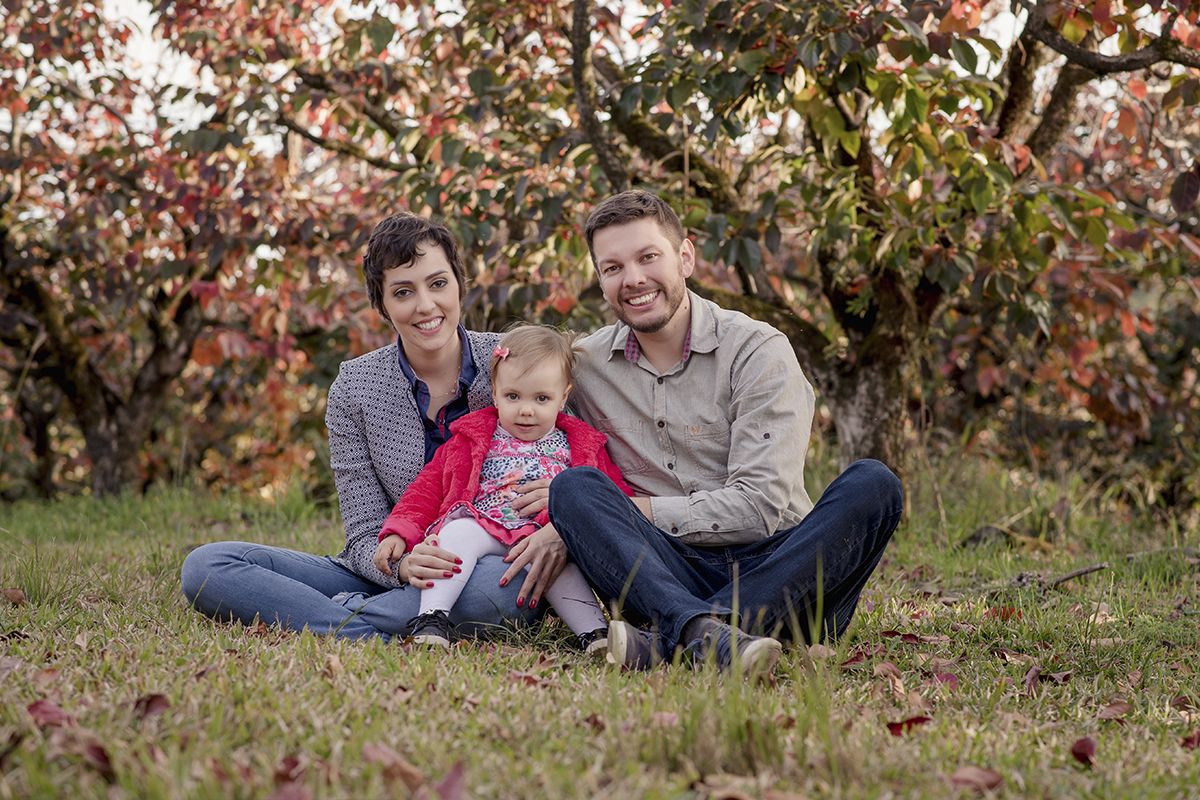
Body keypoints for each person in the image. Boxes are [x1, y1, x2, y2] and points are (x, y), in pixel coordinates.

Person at [539, 189, 904, 676]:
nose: (633, 279)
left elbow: (757, 507)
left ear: (685, 256)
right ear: (601, 280)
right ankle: (710, 635)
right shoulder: (584, 368)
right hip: (669, 569)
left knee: (874, 484)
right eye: (612, 268)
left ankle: (682, 634)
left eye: (649, 257)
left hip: (784, 571)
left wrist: (639, 509)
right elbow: (506, 375)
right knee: (572, 491)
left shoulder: (757, 351)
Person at [180, 212, 541, 640]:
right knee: (207, 566)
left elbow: (571, 468)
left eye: (438, 283)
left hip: (492, 563)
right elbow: (365, 530)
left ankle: (340, 617)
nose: (426, 305)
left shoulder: (512, 362)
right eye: (403, 292)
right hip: (390, 572)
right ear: (382, 304)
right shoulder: (355, 386)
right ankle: (370, 627)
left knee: (501, 587)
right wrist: (403, 565)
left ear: (459, 284)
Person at [373, 325, 633, 652]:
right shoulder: (471, 437)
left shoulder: (581, 446)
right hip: (483, 524)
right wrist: (399, 532)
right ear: (495, 392)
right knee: (455, 535)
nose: (526, 410)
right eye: (513, 396)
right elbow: (426, 488)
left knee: (557, 562)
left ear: (563, 397)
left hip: (541, 533)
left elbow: (612, 495)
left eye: (541, 398)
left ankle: (594, 634)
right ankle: (431, 618)